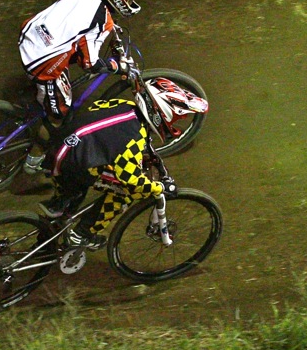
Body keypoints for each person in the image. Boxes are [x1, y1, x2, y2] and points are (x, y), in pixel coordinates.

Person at [18, 0, 164, 173]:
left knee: (68, 61)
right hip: (41, 62)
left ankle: (34, 103)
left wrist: (110, 31)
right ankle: (34, 161)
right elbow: (91, 63)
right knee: (61, 115)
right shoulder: (102, 21)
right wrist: (116, 66)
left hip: (30, 37)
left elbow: (81, 22)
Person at [36, 86, 192, 249]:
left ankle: (54, 218)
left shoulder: (124, 104)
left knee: (74, 190)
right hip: (71, 166)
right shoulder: (134, 139)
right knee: (127, 192)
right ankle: (82, 234)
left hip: (57, 150)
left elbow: (97, 111)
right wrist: (157, 187)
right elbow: (131, 180)